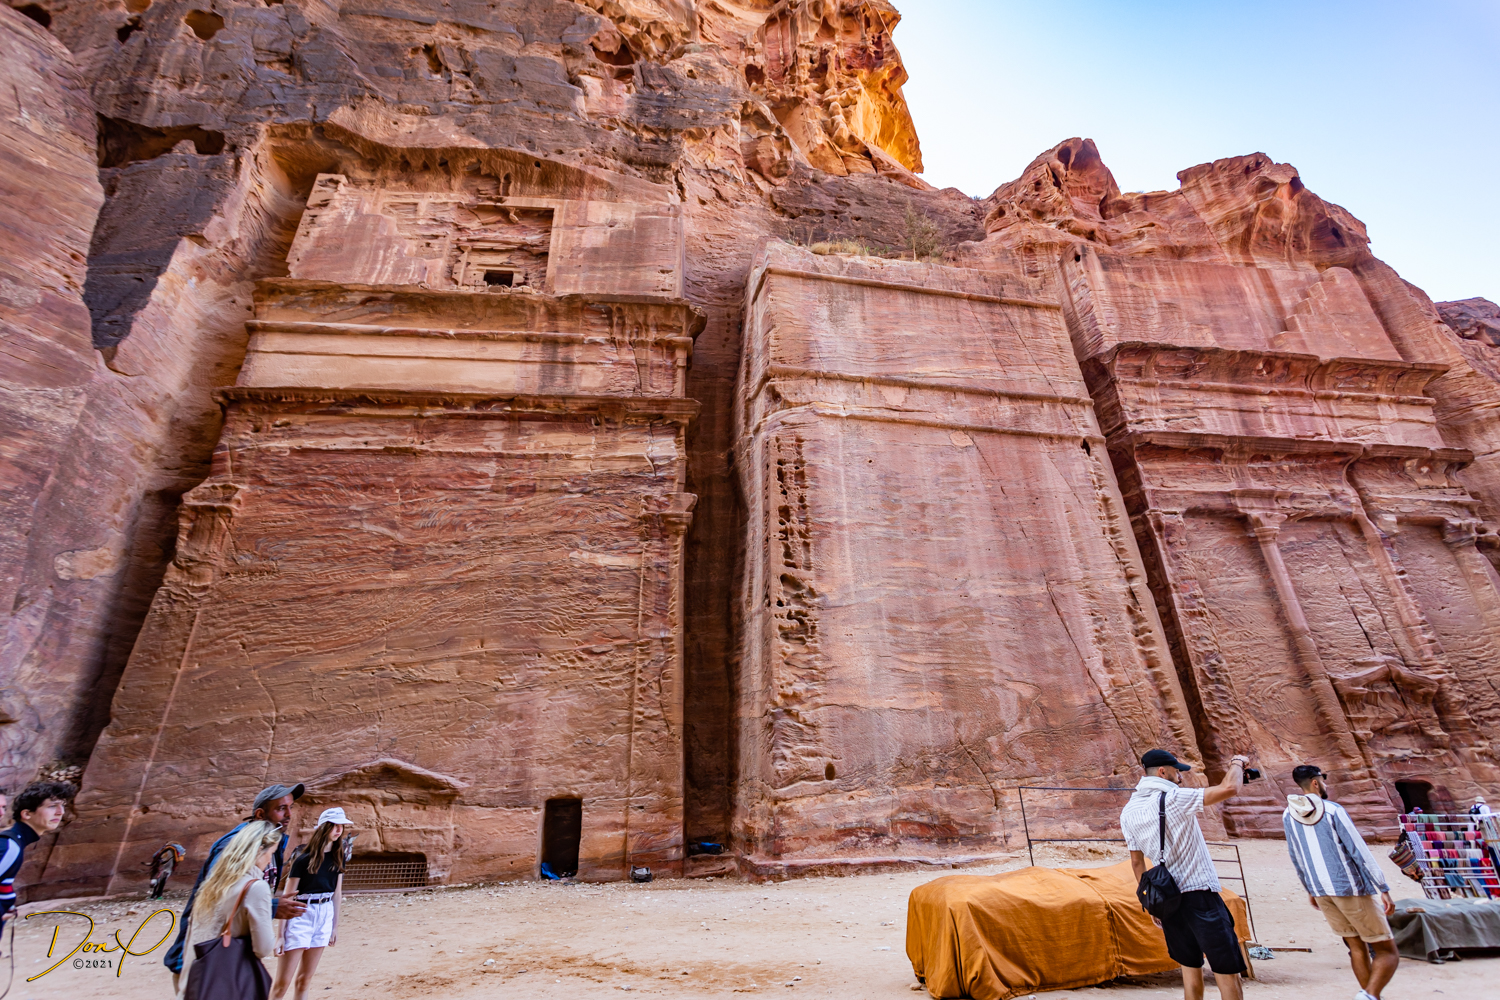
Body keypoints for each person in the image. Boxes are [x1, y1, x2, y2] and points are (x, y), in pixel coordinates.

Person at [1122, 748, 1250, 1000]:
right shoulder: (1175, 798)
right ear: (1162, 772)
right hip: (1200, 895)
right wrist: (1237, 762)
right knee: (1227, 972)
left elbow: (1137, 863)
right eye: (1176, 770)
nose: (1180, 775)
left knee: (1190, 972)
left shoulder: (1129, 810)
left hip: (1168, 901)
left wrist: (1152, 903)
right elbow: (1229, 788)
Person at [164, 782, 308, 981]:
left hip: (230, 956)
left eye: (290, 807)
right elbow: (216, 896)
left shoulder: (272, 845)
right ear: (260, 814)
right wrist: (271, 907)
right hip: (204, 956)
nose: (289, 814)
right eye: (281, 808)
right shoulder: (234, 846)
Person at [1283, 765, 1397, 1000]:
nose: (1325, 784)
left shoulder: (1288, 815)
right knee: (1387, 951)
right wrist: (1382, 887)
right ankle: (1370, 995)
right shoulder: (1333, 811)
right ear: (1315, 782)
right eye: (1322, 779)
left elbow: (1296, 856)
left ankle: (1369, 996)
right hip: (1350, 888)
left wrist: (1310, 889)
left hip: (1322, 891)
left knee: (1356, 948)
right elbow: (1358, 850)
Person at [177, 820, 280, 998]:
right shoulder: (256, 888)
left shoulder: (213, 883)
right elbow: (263, 948)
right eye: (271, 853)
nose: (270, 860)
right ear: (258, 851)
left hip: (196, 982)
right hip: (225, 985)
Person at [272, 808, 350, 1000]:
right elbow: (288, 897)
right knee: (282, 983)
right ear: (323, 828)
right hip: (301, 913)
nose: (338, 830)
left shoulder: (338, 858)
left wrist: (334, 927)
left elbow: (337, 894)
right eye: (334, 825)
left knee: (305, 980)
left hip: (324, 914)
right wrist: (280, 936)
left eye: (341, 826)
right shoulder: (303, 860)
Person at [0, 781, 76, 923]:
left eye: (62, 806)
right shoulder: (10, 846)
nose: (61, 812)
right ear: (27, 814)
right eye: (52, 806)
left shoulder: (14, 843)